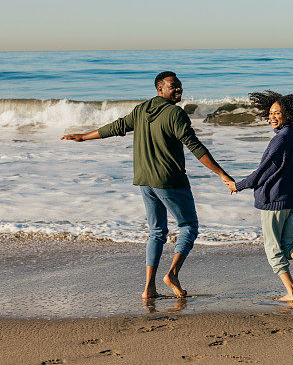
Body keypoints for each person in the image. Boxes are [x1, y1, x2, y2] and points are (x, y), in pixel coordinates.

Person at [61, 71, 233, 299]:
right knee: (189, 226)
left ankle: (149, 289)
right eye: (174, 86)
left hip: (144, 180)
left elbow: (117, 127)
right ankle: (172, 274)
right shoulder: (175, 113)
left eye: (180, 85)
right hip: (169, 180)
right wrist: (221, 173)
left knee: (157, 232)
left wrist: (84, 137)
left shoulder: (142, 110)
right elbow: (195, 146)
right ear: (160, 89)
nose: (179, 89)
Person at [225, 91, 293, 301]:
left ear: (289, 114)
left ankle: (292, 292)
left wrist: (238, 185)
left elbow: (263, 171)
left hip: (275, 202)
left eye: (278, 113)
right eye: (270, 113)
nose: (272, 116)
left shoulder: (280, 139)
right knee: (288, 244)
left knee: (273, 249)